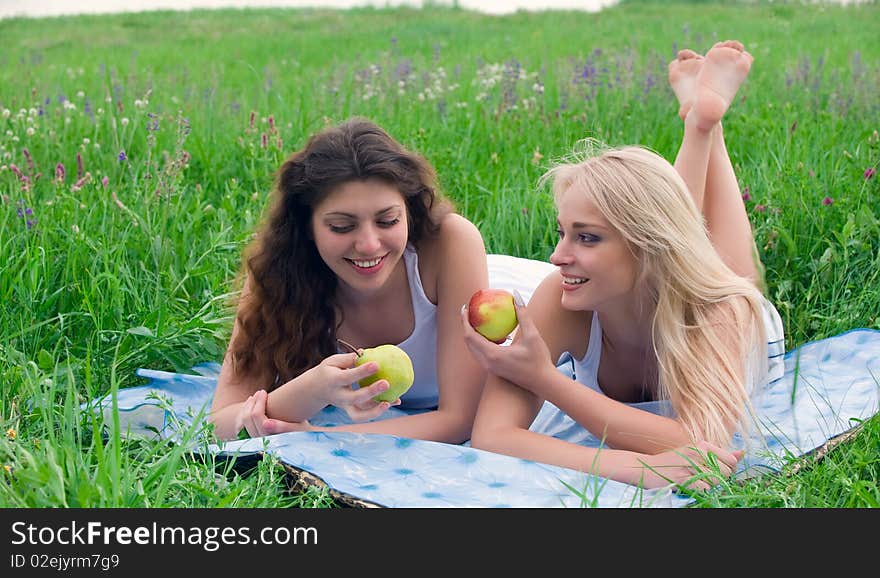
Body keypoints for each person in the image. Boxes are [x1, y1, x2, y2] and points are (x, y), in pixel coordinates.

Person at [460, 41, 785, 490]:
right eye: (563, 232)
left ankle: (707, 127)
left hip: (730, 317)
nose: (556, 257)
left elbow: (702, 441)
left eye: (586, 237)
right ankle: (701, 123)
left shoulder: (719, 312)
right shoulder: (561, 295)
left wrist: (544, 380)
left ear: (647, 247)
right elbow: (492, 435)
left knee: (734, 275)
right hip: (663, 261)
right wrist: (635, 468)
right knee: (671, 229)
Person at [209, 118, 489, 443]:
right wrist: (312, 389)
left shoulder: (451, 243)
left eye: (388, 220)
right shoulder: (279, 271)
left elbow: (461, 420)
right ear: (307, 228)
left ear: (409, 214)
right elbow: (220, 423)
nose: (369, 244)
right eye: (342, 226)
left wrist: (320, 437)